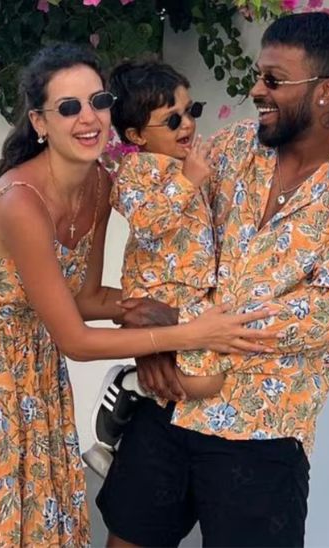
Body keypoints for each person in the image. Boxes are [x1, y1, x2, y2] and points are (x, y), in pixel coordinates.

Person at [0, 44, 275, 547]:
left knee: (26, 510)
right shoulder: (21, 204)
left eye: (98, 102)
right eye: (68, 107)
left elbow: (85, 297)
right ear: (40, 122)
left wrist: (167, 312)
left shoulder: (100, 185)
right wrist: (191, 333)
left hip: (32, 359)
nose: (88, 118)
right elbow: (76, 339)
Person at [96, 12, 329, 547]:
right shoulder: (228, 149)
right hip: (167, 402)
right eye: (259, 75)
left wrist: (177, 328)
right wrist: (150, 338)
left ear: (326, 91)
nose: (256, 90)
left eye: (274, 79)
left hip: (262, 428)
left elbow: (321, 313)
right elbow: (162, 239)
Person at [82, 60, 263, 477]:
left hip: (190, 296)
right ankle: (127, 386)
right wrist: (188, 181)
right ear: (136, 136)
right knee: (202, 383)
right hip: (158, 294)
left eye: (191, 111)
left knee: (197, 381)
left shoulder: (186, 164)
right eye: (173, 119)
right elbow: (147, 224)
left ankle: (118, 433)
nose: (188, 124)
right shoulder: (135, 171)